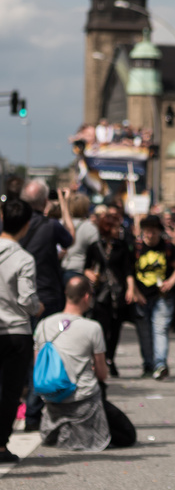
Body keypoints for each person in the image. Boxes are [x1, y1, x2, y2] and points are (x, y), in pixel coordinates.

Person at [20, 180, 75, 431]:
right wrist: (63, 204)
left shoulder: (14, 226)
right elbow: (70, 238)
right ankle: (34, 411)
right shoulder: (51, 226)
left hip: (18, 299)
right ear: (44, 202)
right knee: (44, 354)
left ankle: (24, 407)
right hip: (46, 299)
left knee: (20, 355)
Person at [35, 275, 110, 452]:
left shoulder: (43, 324)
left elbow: (37, 363)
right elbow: (102, 374)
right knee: (127, 433)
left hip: (51, 396)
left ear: (66, 294)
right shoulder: (92, 328)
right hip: (82, 400)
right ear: (86, 296)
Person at [0, 199, 43, 464]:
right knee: (10, 391)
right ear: (26, 226)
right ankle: (1, 446)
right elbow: (28, 301)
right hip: (16, 331)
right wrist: (38, 307)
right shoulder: (23, 258)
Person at [84, 210, 135, 376]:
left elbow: (128, 269)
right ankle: (102, 360)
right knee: (102, 328)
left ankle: (110, 359)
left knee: (115, 328)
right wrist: (90, 274)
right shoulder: (94, 247)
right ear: (107, 228)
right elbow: (86, 267)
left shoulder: (122, 247)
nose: (118, 230)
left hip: (117, 292)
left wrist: (131, 288)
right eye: (115, 227)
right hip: (101, 293)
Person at [133, 214, 175, 380]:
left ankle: (160, 364)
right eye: (147, 232)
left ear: (159, 232)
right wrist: (134, 292)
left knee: (160, 329)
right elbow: (129, 272)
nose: (150, 235)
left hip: (163, 296)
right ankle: (148, 364)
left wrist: (170, 282)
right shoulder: (137, 247)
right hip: (141, 295)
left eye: (153, 232)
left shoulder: (167, 246)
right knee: (145, 332)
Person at [61, 193, 100, 284]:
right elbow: (97, 252)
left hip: (64, 269)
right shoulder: (90, 227)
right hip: (82, 271)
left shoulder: (63, 225)